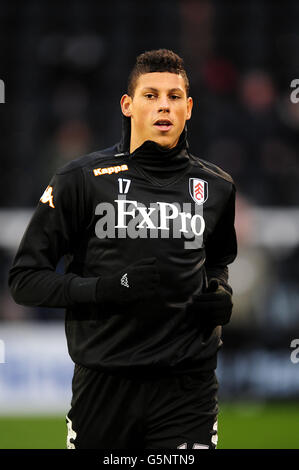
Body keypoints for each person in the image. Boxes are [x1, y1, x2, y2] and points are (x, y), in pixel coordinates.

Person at [8, 49, 237, 449]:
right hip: (104, 384)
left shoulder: (217, 187)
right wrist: (106, 288)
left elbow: (217, 261)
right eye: (151, 95)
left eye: (173, 96)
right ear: (127, 105)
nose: (163, 105)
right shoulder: (81, 180)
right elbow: (24, 280)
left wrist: (219, 291)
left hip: (187, 387)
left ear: (189, 108)